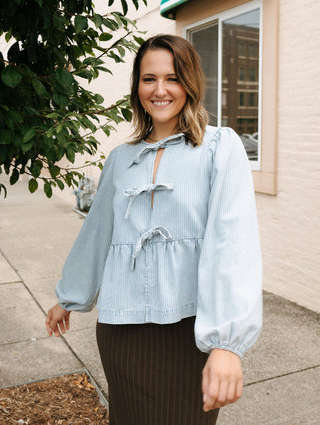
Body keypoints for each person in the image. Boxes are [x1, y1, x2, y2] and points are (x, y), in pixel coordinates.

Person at [46, 34, 262, 425]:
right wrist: (71, 296)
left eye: (172, 78)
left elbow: (232, 241)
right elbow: (98, 233)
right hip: (121, 332)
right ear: (137, 86)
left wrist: (227, 344)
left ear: (190, 83)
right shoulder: (120, 158)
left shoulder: (219, 147)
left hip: (189, 329)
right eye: (149, 79)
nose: (160, 90)